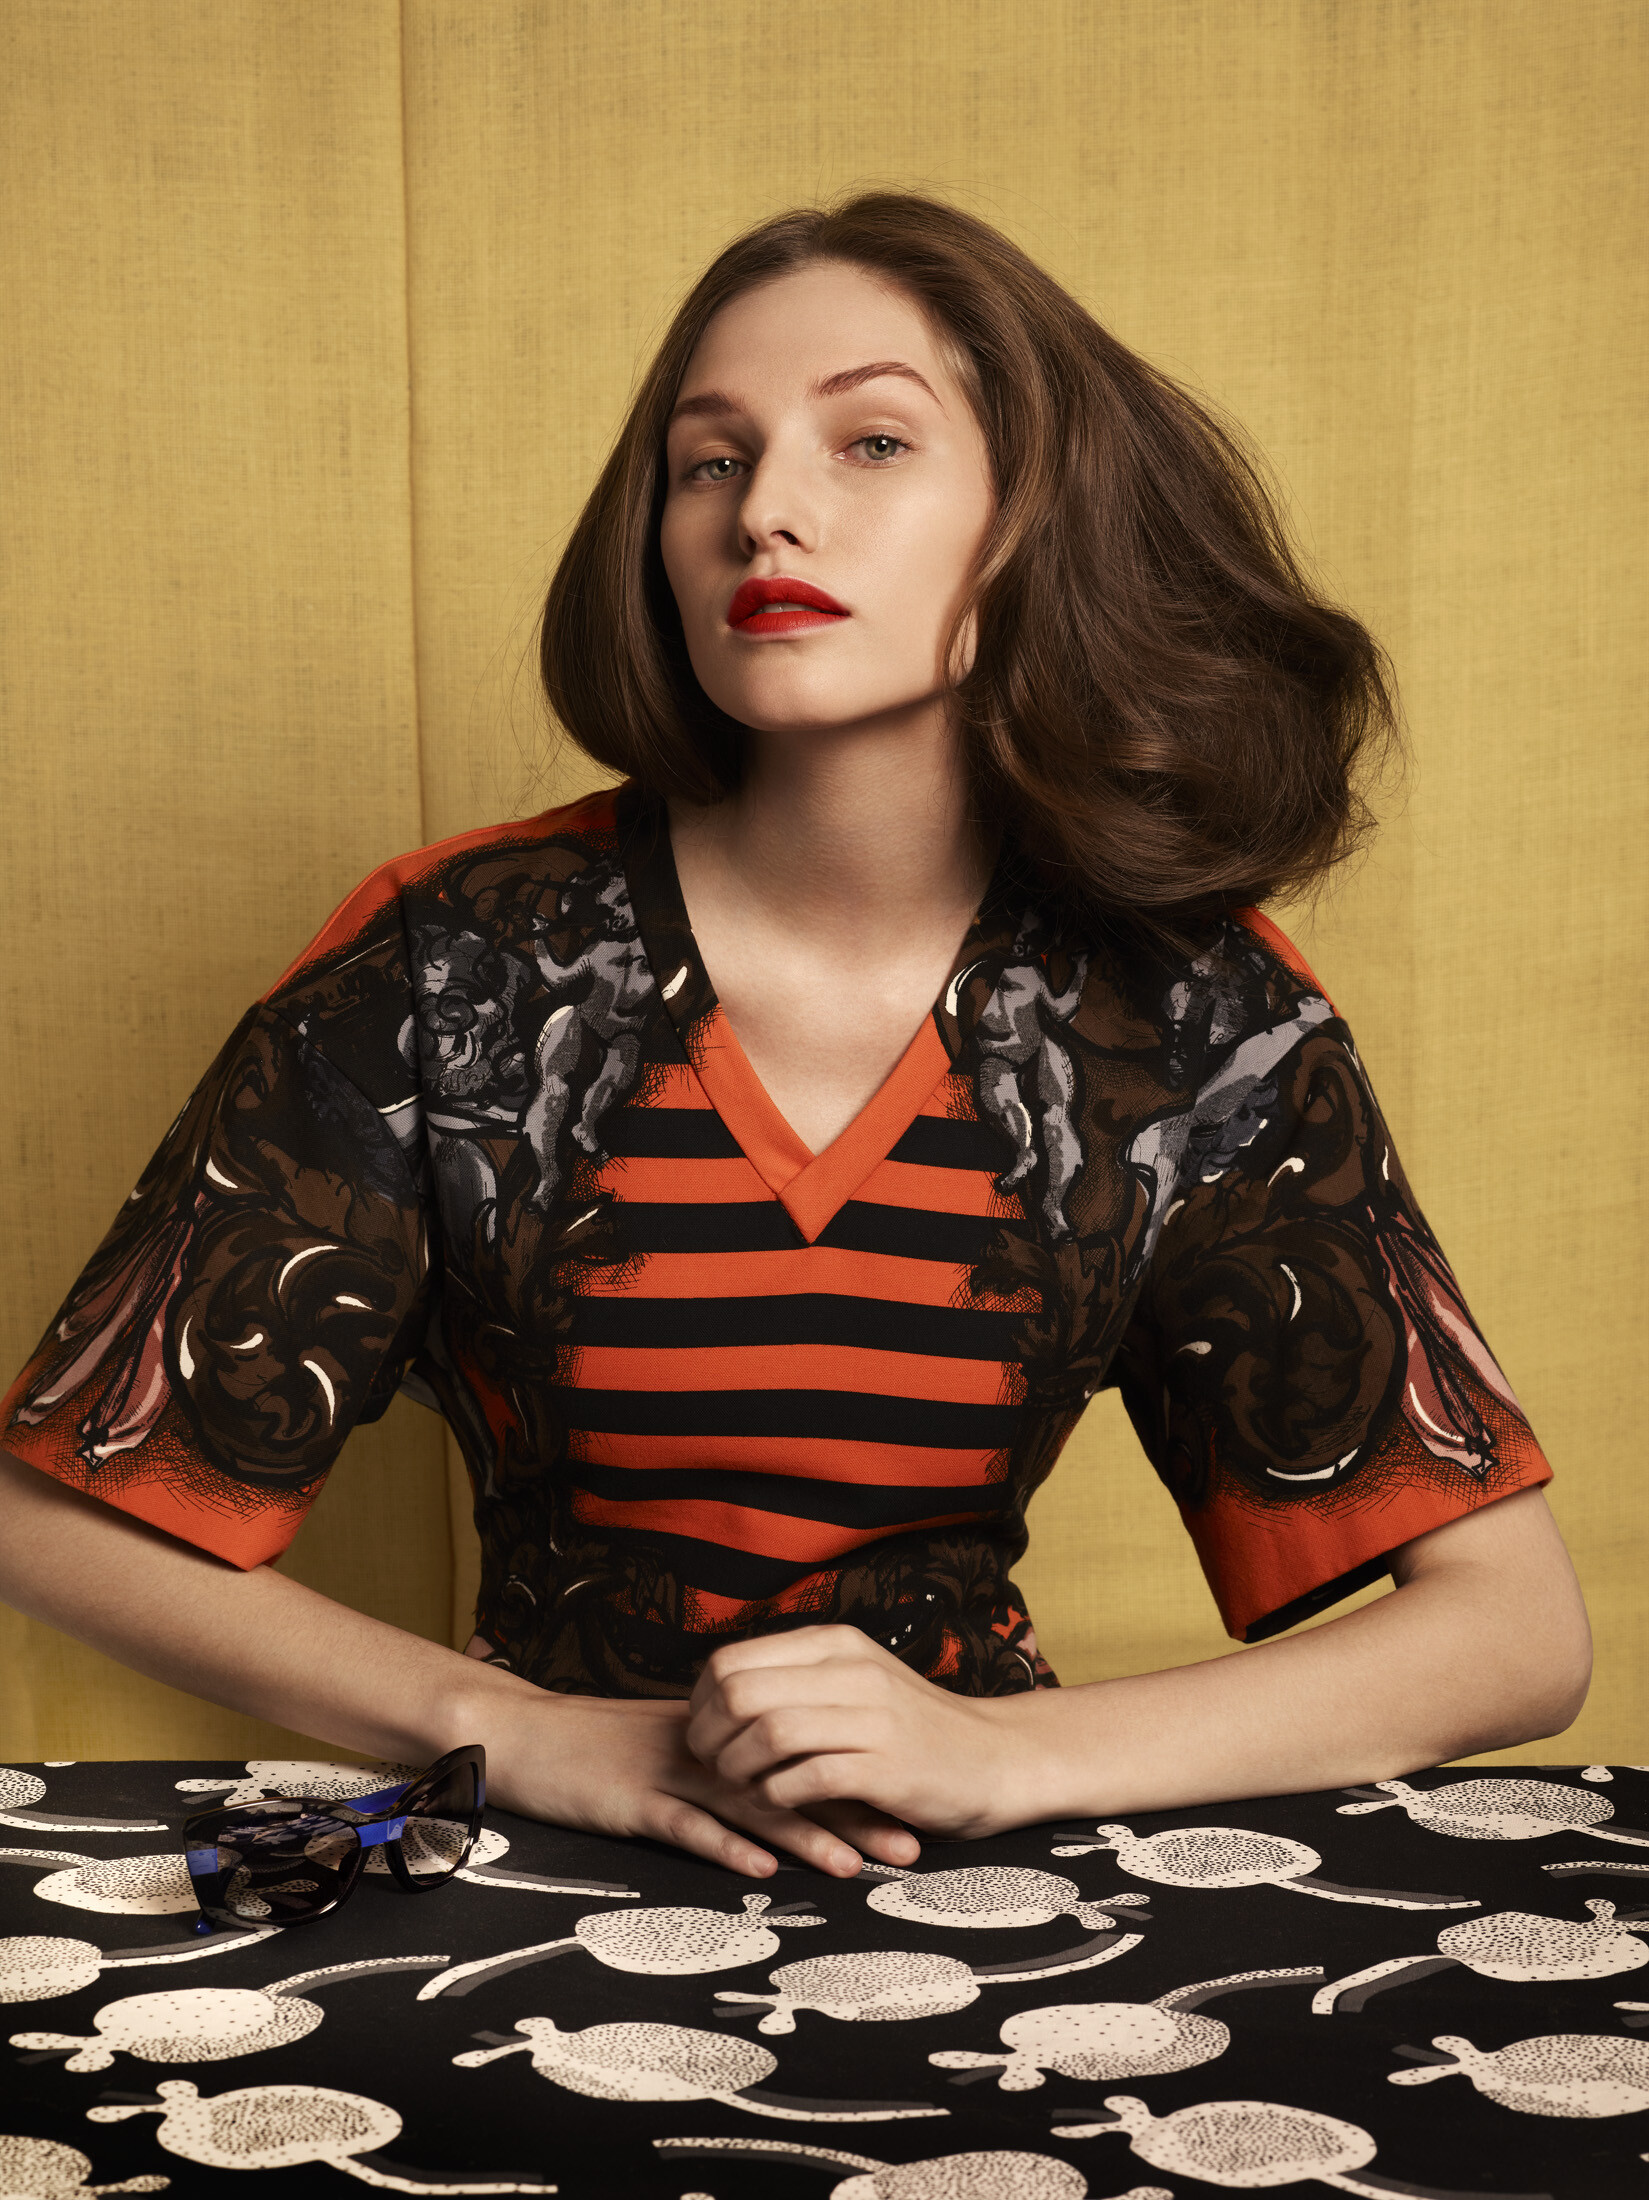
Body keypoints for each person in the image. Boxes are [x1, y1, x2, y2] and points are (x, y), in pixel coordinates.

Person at [0, 193, 1590, 1885]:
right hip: (533, 1858)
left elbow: (1512, 1636)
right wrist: (513, 1731)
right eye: (708, 461)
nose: (763, 510)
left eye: (871, 442)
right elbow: (48, 1515)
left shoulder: (1196, 1016)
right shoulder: (453, 962)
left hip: (982, 1872)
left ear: (1034, 519)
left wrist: (999, 1755)